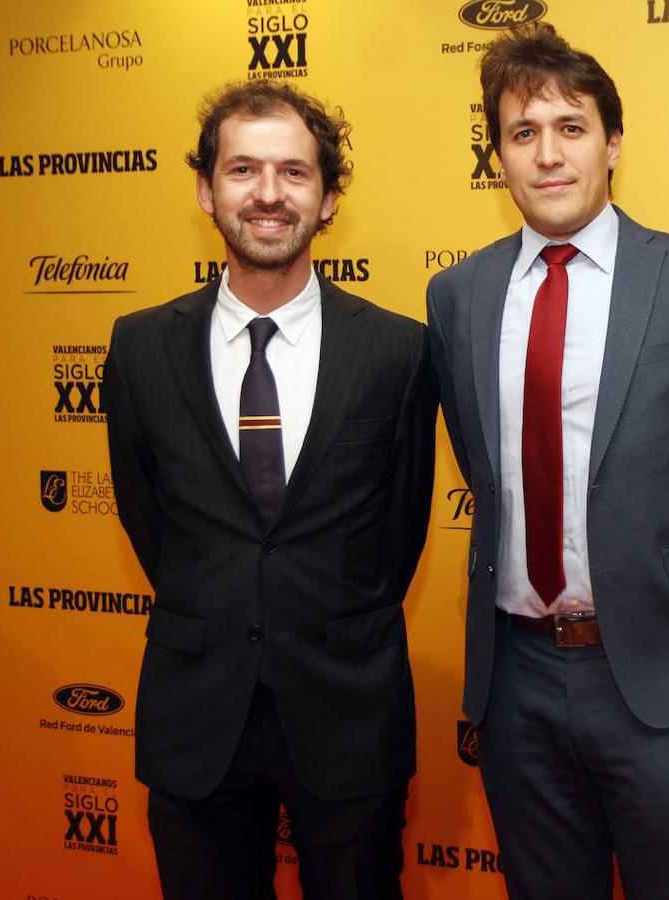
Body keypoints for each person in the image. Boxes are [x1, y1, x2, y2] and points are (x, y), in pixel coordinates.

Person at [426, 22, 669, 900]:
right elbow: (487, 469)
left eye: (571, 127)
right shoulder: (458, 295)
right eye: (521, 134)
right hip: (515, 684)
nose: (547, 155)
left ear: (612, 143)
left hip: (662, 678)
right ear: (498, 159)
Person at [103, 80, 435, 899]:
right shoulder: (140, 347)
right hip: (195, 711)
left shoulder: (398, 351)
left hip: (348, 710)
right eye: (242, 169)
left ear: (327, 199)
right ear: (205, 189)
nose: (267, 194)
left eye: (293, 173)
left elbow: (400, 533)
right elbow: (148, 520)